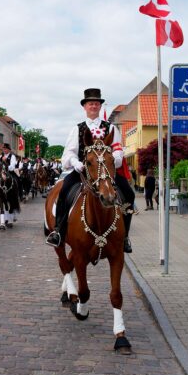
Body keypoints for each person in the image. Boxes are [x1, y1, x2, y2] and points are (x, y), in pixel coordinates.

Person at [45, 88, 134, 253]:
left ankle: (125, 237)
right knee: (64, 191)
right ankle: (58, 231)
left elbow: (118, 148)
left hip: (106, 172)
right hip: (83, 173)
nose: (93, 106)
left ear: (100, 106)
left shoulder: (111, 128)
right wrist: (75, 162)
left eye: (96, 103)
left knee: (129, 193)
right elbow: (68, 153)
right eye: (90, 103)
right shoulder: (77, 129)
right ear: (84, 107)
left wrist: (115, 159)